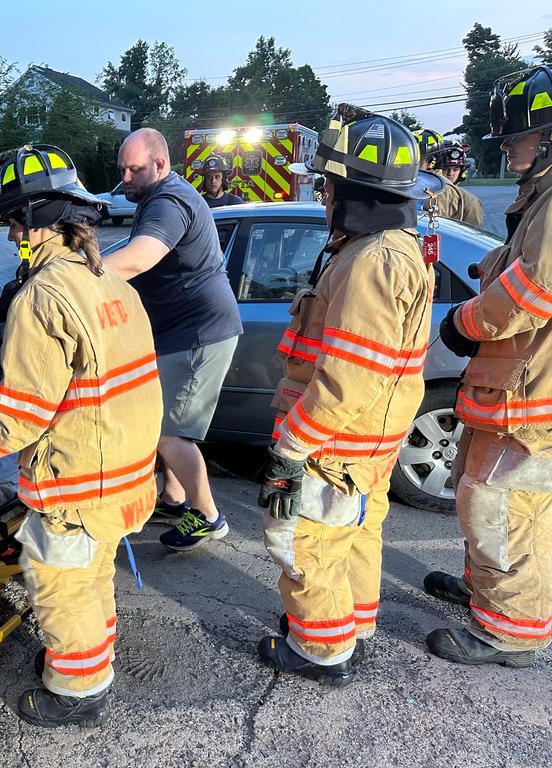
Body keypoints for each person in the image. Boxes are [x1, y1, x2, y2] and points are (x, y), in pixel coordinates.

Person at [0, 144, 162, 728]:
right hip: (123, 471)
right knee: (94, 572)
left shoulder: (41, 298)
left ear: (35, 226)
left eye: (14, 225)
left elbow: (24, 413)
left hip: (76, 478)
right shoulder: (111, 285)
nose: (10, 239)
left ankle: (77, 691)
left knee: (61, 580)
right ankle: (94, 660)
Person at [256, 104, 444, 686]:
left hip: (336, 441)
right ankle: (351, 627)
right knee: (354, 536)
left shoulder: (371, 261)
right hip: (366, 441)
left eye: (330, 186)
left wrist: (292, 448)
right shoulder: (385, 250)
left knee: (303, 539)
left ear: (349, 190)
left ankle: (319, 649)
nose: (325, 198)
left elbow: (349, 378)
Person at [424, 65, 552, 667]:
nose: (505, 145)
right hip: (511, 390)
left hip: (530, 399)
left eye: (516, 136)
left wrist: (463, 322)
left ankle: (511, 631)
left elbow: (530, 293)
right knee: (484, 499)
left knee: (506, 508)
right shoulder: (538, 198)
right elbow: (512, 270)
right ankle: (486, 595)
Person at [101, 128, 243, 552]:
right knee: (160, 421)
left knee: (169, 432)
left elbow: (142, 256)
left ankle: (208, 516)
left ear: (160, 165)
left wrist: (73, 278)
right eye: (122, 169)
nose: (126, 177)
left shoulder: (167, 202)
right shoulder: (158, 198)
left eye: (135, 169)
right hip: (182, 332)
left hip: (198, 333)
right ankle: (175, 497)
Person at [427, 141, 485, 227]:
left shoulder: (470, 201)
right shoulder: (428, 194)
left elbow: (473, 234)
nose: (450, 173)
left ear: (462, 171)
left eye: (456, 169)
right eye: (446, 168)